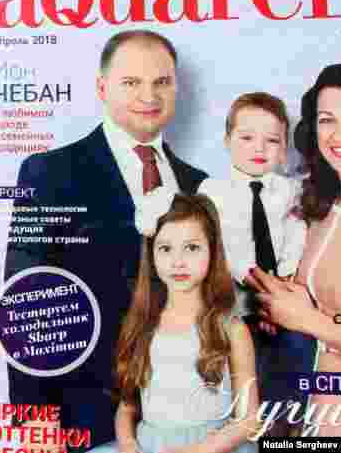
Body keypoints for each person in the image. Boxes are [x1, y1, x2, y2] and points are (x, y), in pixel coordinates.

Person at [5, 30, 207, 447]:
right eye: (131, 82)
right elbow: (26, 299)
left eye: (161, 82)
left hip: (187, 417)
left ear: (176, 89)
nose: (148, 95)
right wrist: (34, 417)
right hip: (86, 417)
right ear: (102, 87)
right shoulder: (49, 173)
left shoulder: (201, 186)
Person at [248, 58, 341, 437]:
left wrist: (309, 321)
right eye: (327, 120)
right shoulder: (310, 211)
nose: (339, 134)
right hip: (310, 424)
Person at [87, 192, 259, 453]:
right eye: (166, 248)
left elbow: (249, 420)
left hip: (212, 448)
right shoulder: (143, 325)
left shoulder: (232, 329)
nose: (178, 262)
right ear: (152, 256)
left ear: (212, 251)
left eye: (192, 247)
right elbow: (127, 407)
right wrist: (129, 445)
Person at [197, 93, 314, 426]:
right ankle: (243, 426)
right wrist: (260, 290)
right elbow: (220, 248)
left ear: (284, 146)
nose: (259, 149)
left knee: (292, 358)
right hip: (236, 299)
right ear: (227, 141)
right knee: (243, 370)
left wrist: (283, 283)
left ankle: (287, 424)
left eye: (272, 140)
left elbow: (296, 235)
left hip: (280, 295)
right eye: (247, 138)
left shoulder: (289, 191)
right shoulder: (213, 191)